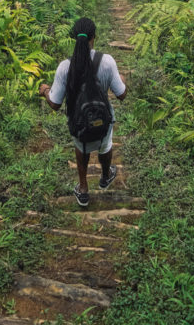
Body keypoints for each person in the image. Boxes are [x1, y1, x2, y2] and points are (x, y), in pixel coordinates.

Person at [38, 16, 127, 207]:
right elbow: (121, 95)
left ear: (73, 38)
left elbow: (55, 103)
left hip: (78, 120)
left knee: (82, 148)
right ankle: (105, 176)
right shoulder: (108, 62)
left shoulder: (64, 67)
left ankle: (84, 188)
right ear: (94, 37)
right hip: (104, 120)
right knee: (105, 146)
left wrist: (45, 90)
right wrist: (121, 78)